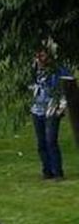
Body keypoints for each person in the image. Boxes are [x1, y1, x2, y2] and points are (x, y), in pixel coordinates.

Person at [30, 48, 74, 180]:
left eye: (42, 55)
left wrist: (61, 106)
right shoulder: (34, 70)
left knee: (51, 141)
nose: (39, 58)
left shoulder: (58, 70)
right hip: (37, 109)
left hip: (52, 109)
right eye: (38, 55)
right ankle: (47, 171)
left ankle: (58, 172)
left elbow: (68, 85)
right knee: (41, 142)